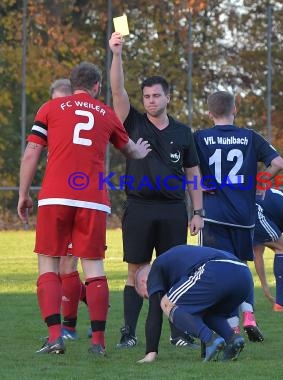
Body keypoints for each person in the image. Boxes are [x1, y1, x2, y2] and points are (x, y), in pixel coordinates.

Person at [17, 62, 151, 356]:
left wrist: (24, 193)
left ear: (72, 83)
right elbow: (129, 149)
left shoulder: (50, 108)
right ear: (97, 86)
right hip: (92, 198)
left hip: (55, 196)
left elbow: (31, 153)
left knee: (49, 263)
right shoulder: (106, 114)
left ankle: (55, 338)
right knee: (93, 268)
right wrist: (140, 150)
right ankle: (98, 342)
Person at [108, 32, 204, 349]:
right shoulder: (132, 121)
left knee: (175, 272)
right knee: (135, 271)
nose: (150, 100)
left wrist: (198, 212)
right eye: (147, 96)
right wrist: (117, 54)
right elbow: (117, 90)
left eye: (156, 96)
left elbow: (192, 172)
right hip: (139, 209)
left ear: (167, 98)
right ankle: (129, 333)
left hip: (173, 210)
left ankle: (178, 333)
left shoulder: (182, 132)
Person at [194, 91, 283, 342]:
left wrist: (199, 187)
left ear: (209, 113)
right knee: (241, 267)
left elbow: (188, 169)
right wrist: (261, 182)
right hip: (243, 216)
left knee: (218, 270)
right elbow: (278, 162)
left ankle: (232, 326)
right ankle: (248, 314)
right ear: (235, 110)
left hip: (213, 215)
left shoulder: (199, 137)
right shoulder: (250, 137)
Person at [134, 245, 251, 363]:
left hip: (216, 269)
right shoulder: (174, 262)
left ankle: (210, 339)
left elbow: (155, 311)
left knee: (166, 303)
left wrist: (150, 351)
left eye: (145, 296)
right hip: (244, 275)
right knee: (208, 311)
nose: (149, 298)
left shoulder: (155, 268)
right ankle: (233, 340)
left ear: (144, 282)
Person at [46, 78, 89, 341]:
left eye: (63, 101)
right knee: (58, 264)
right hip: (57, 199)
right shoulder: (52, 120)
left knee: (67, 265)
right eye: (56, 102)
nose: (60, 106)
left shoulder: (83, 119)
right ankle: (84, 294)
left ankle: (69, 327)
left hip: (80, 199)